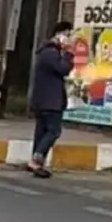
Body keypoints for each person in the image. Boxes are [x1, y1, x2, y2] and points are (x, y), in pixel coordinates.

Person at [27, 21, 75, 178]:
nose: (69, 39)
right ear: (59, 35)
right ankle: (37, 158)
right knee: (53, 131)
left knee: (41, 132)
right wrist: (68, 53)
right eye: (67, 35)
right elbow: (64, 69)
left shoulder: (46, 52)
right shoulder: (50, 53)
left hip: (44, 100)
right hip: (50, 101)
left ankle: (35, 162)